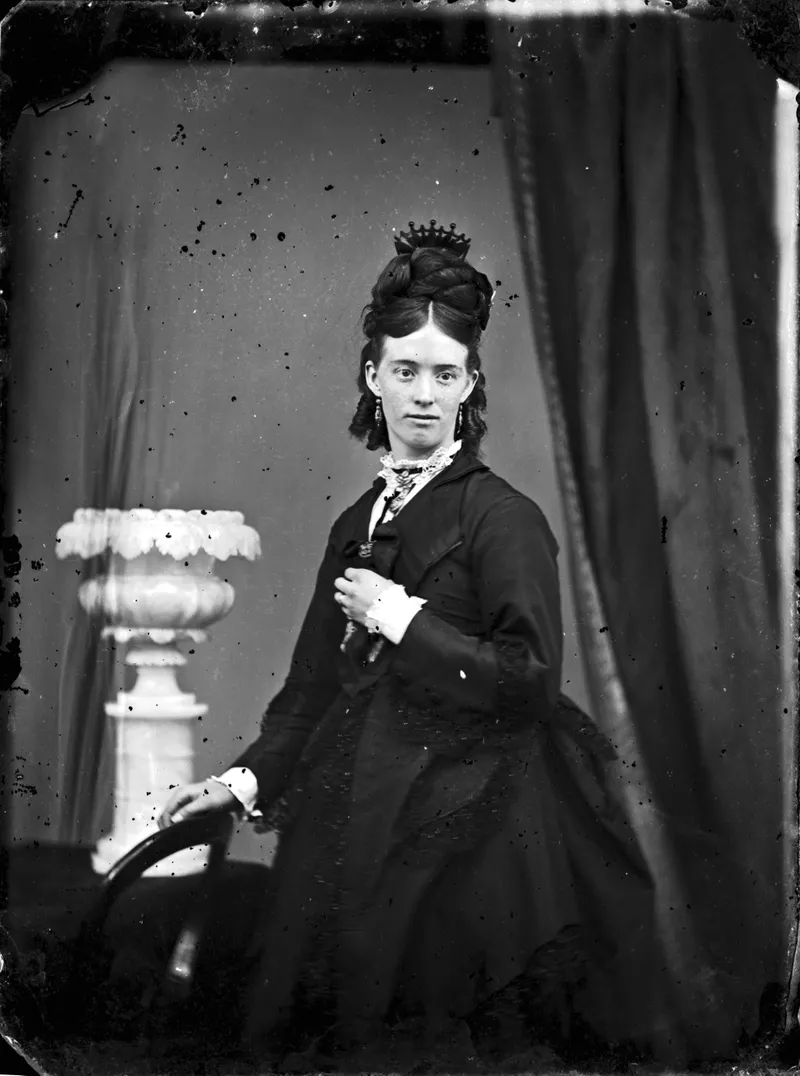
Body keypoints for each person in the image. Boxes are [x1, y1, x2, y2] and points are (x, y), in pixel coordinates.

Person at [159, 221, 669, 1072]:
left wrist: (404, 619)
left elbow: (533, 681)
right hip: (352, 816)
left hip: (473, 831)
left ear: (470, 384)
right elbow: (309, 694)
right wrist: (237, 782)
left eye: (444, 374)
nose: (424, 395)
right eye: (405, 371)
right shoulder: (353, 526)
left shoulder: (503, 519)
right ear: (373, 376)